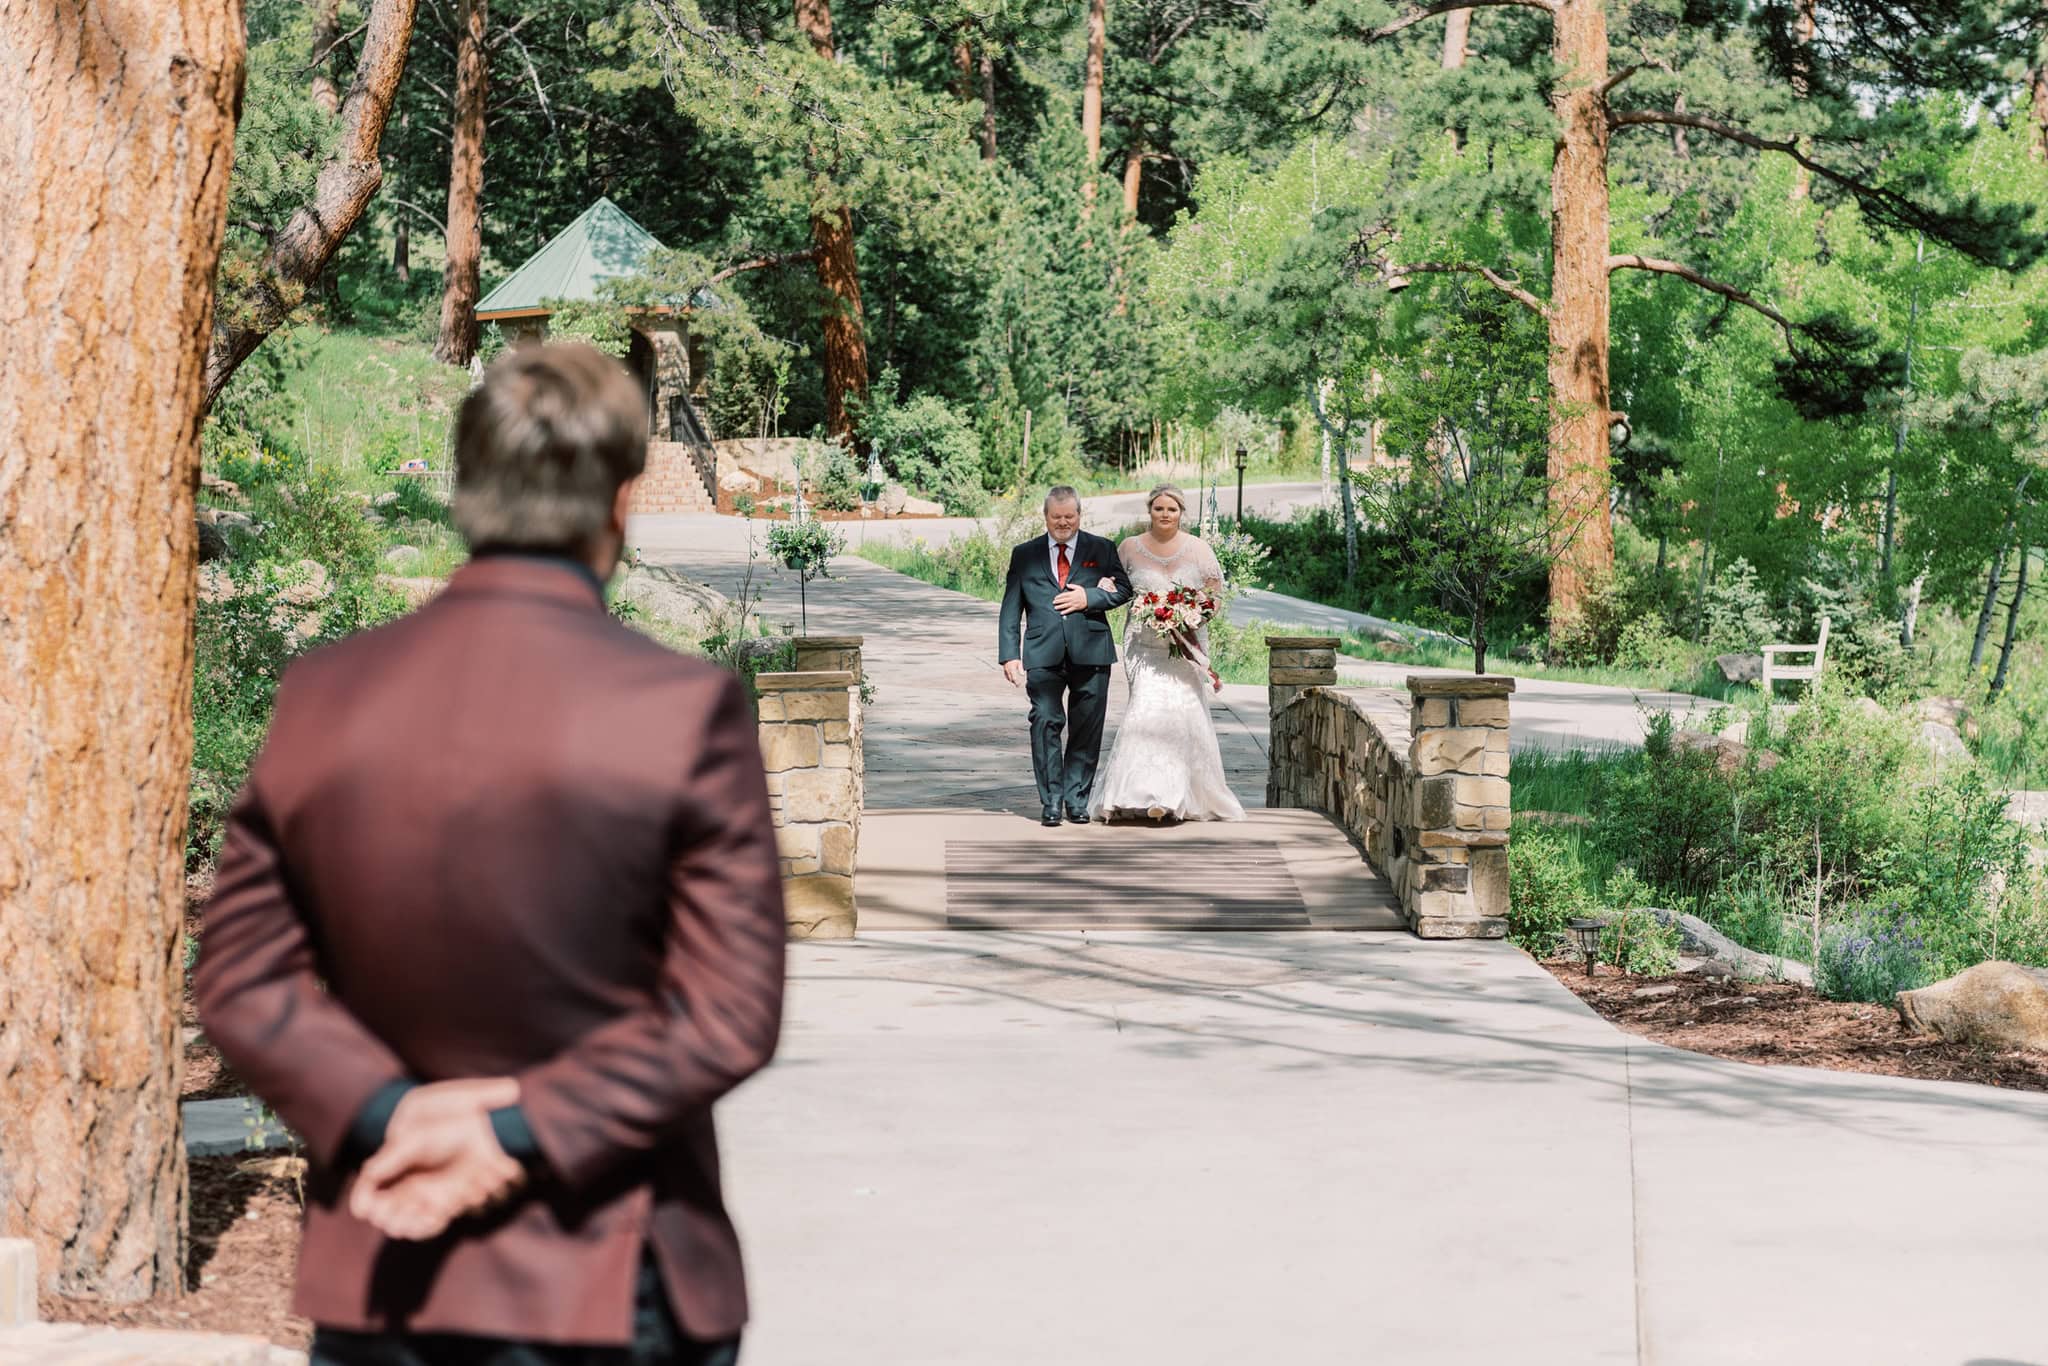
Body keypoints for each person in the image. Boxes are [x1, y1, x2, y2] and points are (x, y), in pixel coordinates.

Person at [194, 342, 788, 1366]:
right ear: (619, 501)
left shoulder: (328, 699)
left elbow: (243, 978)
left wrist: (391, 1113)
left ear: (465, 494)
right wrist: (514, 1126)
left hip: (392, 1256)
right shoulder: (681, 712)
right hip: (612, 1266)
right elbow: (725, 1012)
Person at [1090, 485, 1248, 824]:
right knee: (1144, 712)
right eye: (1159, 508)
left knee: (1181, 716)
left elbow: (1215, 594)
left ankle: (1170, 796)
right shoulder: (1130, 547)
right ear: (1150, 511)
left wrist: (1193, 614)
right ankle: (1129, 793)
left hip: (1185, 645)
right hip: (1143, 645)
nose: (1165, 514)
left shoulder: (1199, 549)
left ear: (1181, 513)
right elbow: (1113, 585)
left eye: (1172, 509)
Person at [997, 486, 1135, 826]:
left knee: (1086, 729)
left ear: (1079, 515)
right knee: (1044, 721)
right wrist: (1009, 656)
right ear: (1045, 517)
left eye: (1069, 517)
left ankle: (1076, 801)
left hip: (1091, 651)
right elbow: (1010, 608)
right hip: (1043, 652)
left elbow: (1123, 589)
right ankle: (1051, 802)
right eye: (1056, 517)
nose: (1063, 523)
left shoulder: (1100, 548)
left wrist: (1089, 598)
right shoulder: (1024, 554)